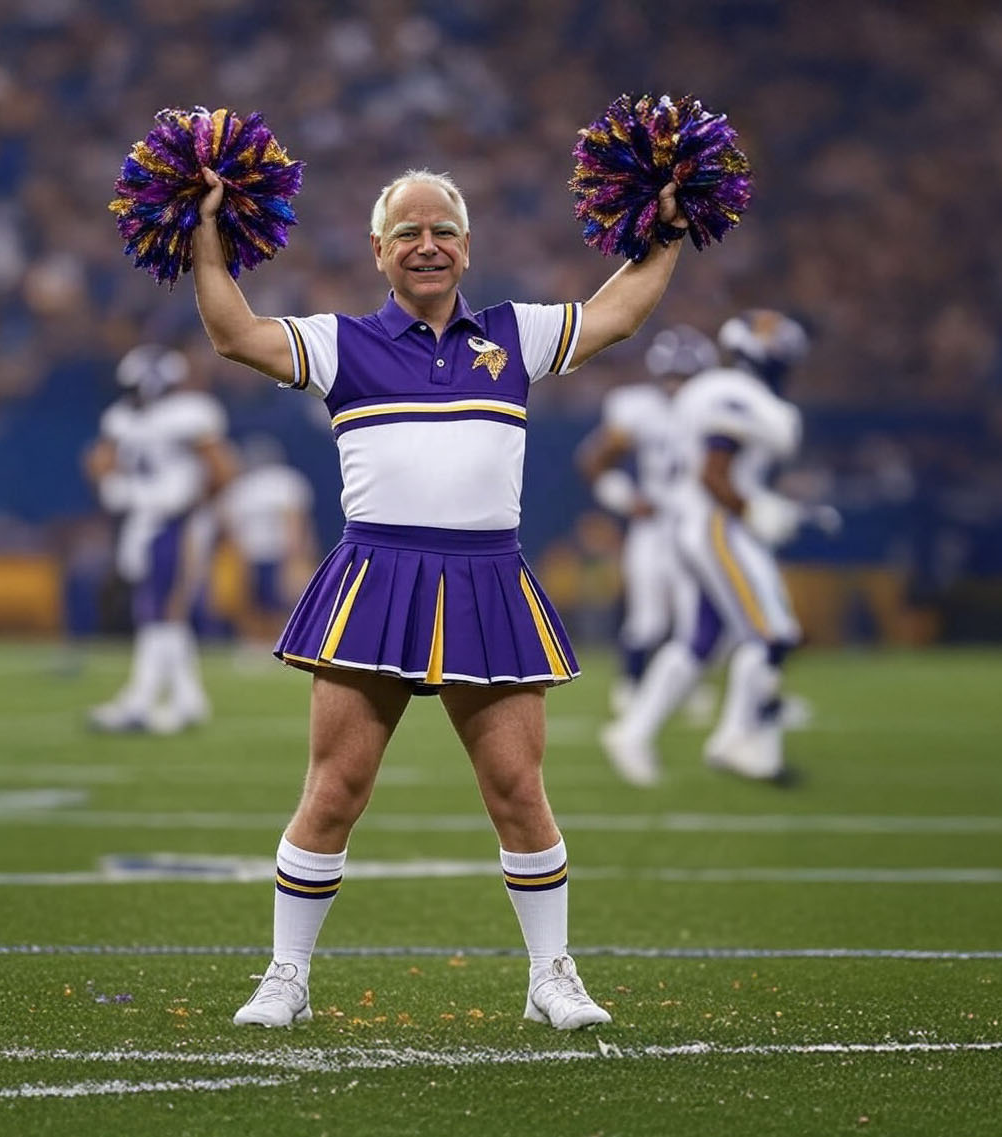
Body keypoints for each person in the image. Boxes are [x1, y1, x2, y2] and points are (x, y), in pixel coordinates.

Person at [188, 164, 691, 1030]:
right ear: (378, 250)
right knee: (335, 789)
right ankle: (286, 975)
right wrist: (204, 233)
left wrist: (670, 232)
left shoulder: (516, 334)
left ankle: (551, 975)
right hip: (375, 578)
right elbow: (236, 335)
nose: (428, 245)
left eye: (444, 231)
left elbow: (617, 313)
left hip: (487, 579)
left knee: (518, 790)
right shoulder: (343, 343)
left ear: (467, 246)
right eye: (408, 233)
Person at [600, 310, 838, 786]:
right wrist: (755, 512)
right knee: (772, 634)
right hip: (716, 524)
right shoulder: (733, 393)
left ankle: (634, 732)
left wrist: (771, 507)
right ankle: (739, 738)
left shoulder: (717, 392)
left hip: (696, 523)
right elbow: (715, 471)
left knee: (702, 640)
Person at [82, 343, 238, 734]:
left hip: (178, 521)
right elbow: (98, 460)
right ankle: (188, 700)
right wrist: (115, 486)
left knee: (161, 609)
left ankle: (140, 700)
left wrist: (191, 506)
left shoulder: (189, 414)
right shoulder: (122, 417)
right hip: (142, 521)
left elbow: (223, 470)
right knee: (160, 610)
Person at [575, 324, 718, 717]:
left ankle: (688, 688)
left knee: (695, 617)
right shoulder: (638, 407)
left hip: (697, 524)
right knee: (647, 618)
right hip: (654, 527)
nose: (677, 384)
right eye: (671, 374)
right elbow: (593, 461)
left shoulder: (714, 408)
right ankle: (631, 685)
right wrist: (625, 499)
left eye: (685, 376)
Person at [217, 433, 319, 655]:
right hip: (252, 555)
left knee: (283, 601)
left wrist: (295, 557)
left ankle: (286, 644)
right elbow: (230, 526)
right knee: (253, 602)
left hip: (276, 552)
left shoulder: (283, 482)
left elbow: (294, 521)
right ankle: (260, 645)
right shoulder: (242, 487)